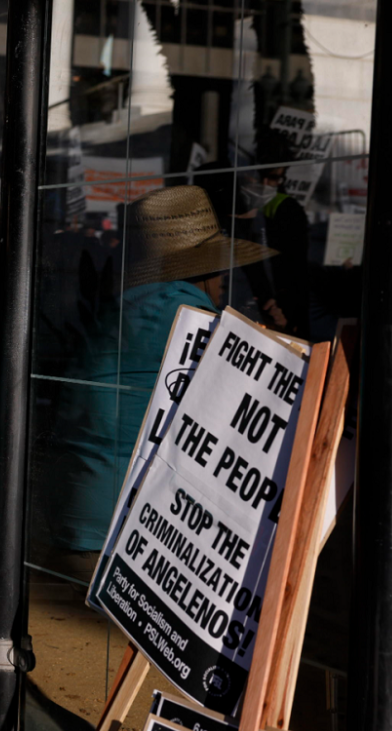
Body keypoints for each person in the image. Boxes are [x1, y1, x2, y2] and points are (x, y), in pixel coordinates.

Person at [43, 186, 276, 581]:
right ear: (206, 270)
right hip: (118, 533)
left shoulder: (130, 304)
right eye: (222, 270)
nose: (225, 282)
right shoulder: (186, 313)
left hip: (76, 508)